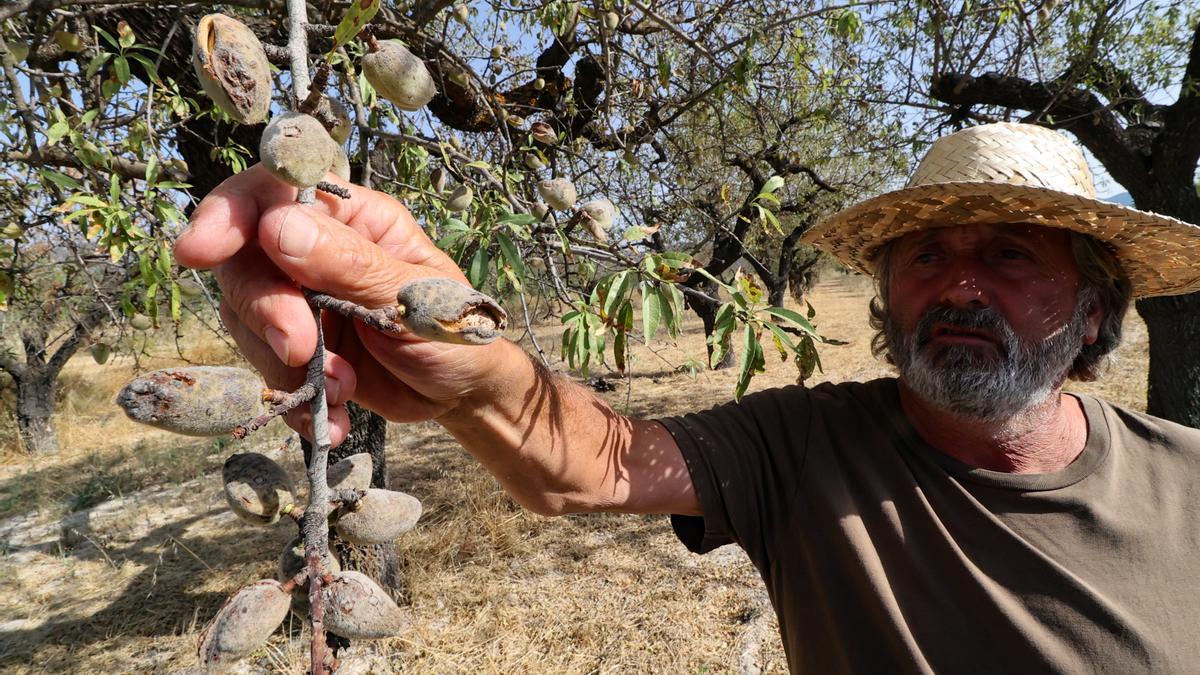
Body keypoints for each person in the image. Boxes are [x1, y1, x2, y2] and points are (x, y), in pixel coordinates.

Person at [176, 122, 1200, 671]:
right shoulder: (807, 445)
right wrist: (464, 344)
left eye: (1012, 255)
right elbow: (588, 462)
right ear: (888, 295)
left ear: (1098, 314)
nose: (959, 283)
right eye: (927, 254)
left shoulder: (1186, 481)